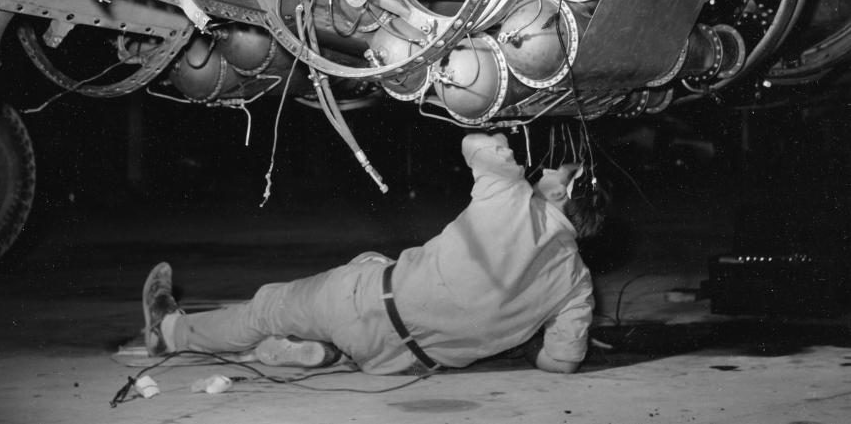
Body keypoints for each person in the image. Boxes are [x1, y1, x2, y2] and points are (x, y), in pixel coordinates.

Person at [141, 131, 608, 374]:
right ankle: (326, 353)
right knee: (373, 263)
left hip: (368, 307)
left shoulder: (511, 196)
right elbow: (562, 363)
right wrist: (523, 336)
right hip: (403, 364)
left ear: (564, 192)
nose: (547, 169)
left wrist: (520, 169)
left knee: (269, 307)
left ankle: (169, 332)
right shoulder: (577, 285)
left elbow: (477, 144)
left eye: (557, 171)